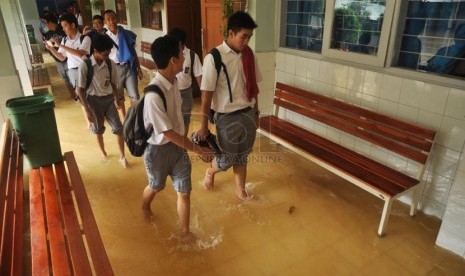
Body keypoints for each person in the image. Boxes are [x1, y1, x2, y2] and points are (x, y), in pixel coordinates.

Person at [141, 35, 213, 236]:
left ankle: (184, 232)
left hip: (179, 148)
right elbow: (168, 133)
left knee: (184, 191)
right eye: (181, 54)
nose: (184, 57)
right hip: (158, 151)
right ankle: (145, 206)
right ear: (173, 60)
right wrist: (198, 149)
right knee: (156, 186)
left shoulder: (174, 84)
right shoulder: (154, 95)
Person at [195, 11, 261, 201]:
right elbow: (206, 95)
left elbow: (255, 87)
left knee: (242, 156)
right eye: (244, 37)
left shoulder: (249, 55)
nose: (247, 41)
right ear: (231, 34)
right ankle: (211, 172)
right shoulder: (214, 58)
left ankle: (240, 190)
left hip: (248, 113)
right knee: (226, 160)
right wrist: (203, 125)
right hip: (227, 117)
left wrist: (256, 113)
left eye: (249, 37)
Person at [76, 34, 128, 168]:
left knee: (119, 128)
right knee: (98, 130)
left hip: (109, 100)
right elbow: (79, 90)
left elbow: (114, 84)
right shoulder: (85, 65)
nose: (108, 56)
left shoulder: (110, 64)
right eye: (105, 54)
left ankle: (122, 157)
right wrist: (87, 110)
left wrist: (118, 100)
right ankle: (104, 154)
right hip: (93, 101)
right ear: (95, 51)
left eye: (109, 52)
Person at [45, 13, 91, 127]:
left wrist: (60, 45)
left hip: (85, 68)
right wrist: (52, 49)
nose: (64, 29)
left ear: (73, 25)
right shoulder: (65, 40)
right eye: (63, 26)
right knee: (81, 97)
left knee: (91, 94)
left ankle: (96, 115)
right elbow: (62, 57)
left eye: (65, 26)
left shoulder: (84, 38)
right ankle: (89, 122)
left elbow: (80, 54)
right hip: (73, 71)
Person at [103, 9, 143, 120]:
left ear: (117, 18)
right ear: (105, 22)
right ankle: (125, 120)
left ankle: (134, 119)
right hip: (115, 69)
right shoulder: (104, 37)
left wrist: (139, 68)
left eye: (113, 18)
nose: (111, 21)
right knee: (118, 97)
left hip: (129, 67)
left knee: (134, 95)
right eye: (108, 19)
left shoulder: (126, 34)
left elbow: (133, 52)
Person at [167, 27, 203, 137]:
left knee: (185, 118)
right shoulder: (168, 55)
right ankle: (175, 142)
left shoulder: (192, 55)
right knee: (171, 118)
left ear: (181, 43)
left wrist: (204, 95)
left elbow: (199, 75)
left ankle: (183, 141)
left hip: (186, 92)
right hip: (171, 91)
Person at [43, 13, 75, 99]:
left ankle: (78, 96)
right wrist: (50, 48)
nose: (45, 25)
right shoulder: (48, 34)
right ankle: (73, 96)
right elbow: (51, 49)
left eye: (46, 23)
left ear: (50, 22)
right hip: (58, 60)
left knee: (73, 79)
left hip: (69, 60)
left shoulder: (63, 31)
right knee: (65, 79)